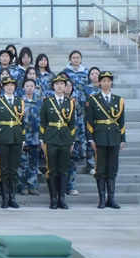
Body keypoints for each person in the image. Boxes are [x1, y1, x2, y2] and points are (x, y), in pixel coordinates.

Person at [85, 71, 125, 210]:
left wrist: (122, 139)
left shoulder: (118, 100)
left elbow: (121, 121)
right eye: (104, 81)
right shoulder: (93, 99)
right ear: (99, 83)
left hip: (114, 137)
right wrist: (91, 139)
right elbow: (89, 121)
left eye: (108, 81)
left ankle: (111, 199)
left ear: (111, 82)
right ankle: (102, 199)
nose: (106, 83)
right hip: (100, 137)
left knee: (112, 168)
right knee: (100, 169)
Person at [39, 74, 76, 210]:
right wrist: (42, 139)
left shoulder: (70, 102)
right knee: (51, 169)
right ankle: (53, 198)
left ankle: (62, 198)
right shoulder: (47, 102)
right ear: (53, 86)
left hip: (65, 138)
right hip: (51, 138)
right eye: (57, 84)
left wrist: (72, 141)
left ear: (65, 86)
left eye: (62, 84)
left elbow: (72, 124)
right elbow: (43, 122)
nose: (59, 86)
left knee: (63, 170)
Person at [0, 76, 25, 209]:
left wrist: (23, 138)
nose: (9, 87)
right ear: (3, 87)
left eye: (12, 85)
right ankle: (4, 198)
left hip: (16, 137)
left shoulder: (19, 102)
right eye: (7, 85)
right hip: (2, 137)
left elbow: (22, 122)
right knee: (3, 168)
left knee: (14, 169)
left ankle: (12, 198)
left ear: (15, 87)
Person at [19, 79, 41, 196]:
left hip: (36, 138)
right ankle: (23, 186)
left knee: (33, 164)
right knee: (22, 163)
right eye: (27, 86)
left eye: (31, 86)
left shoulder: (39, 102)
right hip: (23, 138)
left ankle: (33, 186)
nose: (29, 88)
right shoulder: (19, 102)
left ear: (35, 87)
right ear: (23, 88)